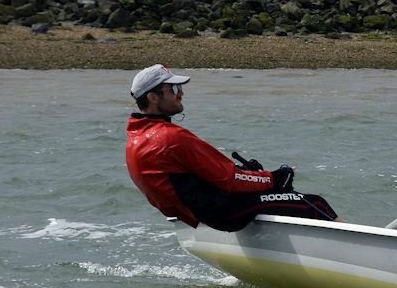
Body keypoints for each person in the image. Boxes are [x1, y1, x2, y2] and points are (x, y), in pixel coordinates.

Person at [125, 64, 341, 232]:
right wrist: (275, 178)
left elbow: (192, 181)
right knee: (313, 202)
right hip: (225, 212)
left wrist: (253, 176)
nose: (180, 93)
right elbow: (230, 179)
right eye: (173, 89)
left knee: (277, 194)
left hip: (202, 214)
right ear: (153, 98)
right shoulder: (170, 138)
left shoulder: (135, 137)